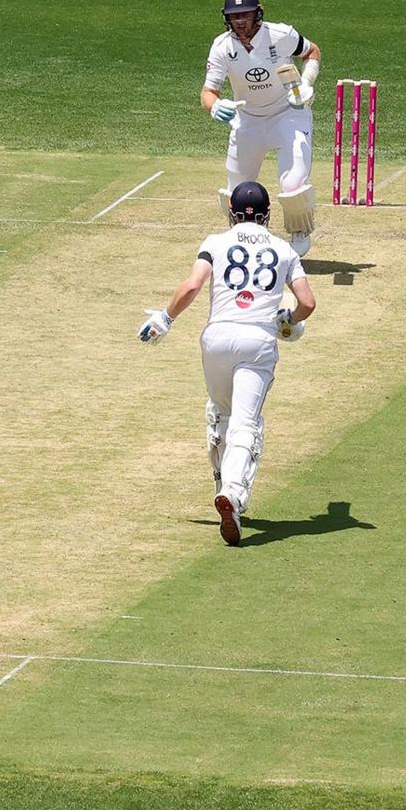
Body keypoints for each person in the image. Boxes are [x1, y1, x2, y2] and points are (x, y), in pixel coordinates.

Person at [138, 182, 317, 546]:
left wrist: (164, 319)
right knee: (246, 423)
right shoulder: (284, 250)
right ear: (267, 216)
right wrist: (287, 318)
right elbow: (308, 303)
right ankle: (233, 494)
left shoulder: (215, 242)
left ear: (233, 213)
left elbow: (191, 286)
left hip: (216, 338)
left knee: (220, 413)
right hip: (257, 341)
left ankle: (222, 482)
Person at [201, 0, 322, 256]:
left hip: (288, 114)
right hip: (248, 119)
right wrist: (216, 107)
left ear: (257, 14)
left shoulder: (280, 34)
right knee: (236, 192)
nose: (240, 21)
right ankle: (240, 238)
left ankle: (299, 231)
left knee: (293, 184)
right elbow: (208, 92)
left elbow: (312, 51)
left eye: (245, 14)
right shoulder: (222, 47)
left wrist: (305, 82)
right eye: (234, 16)